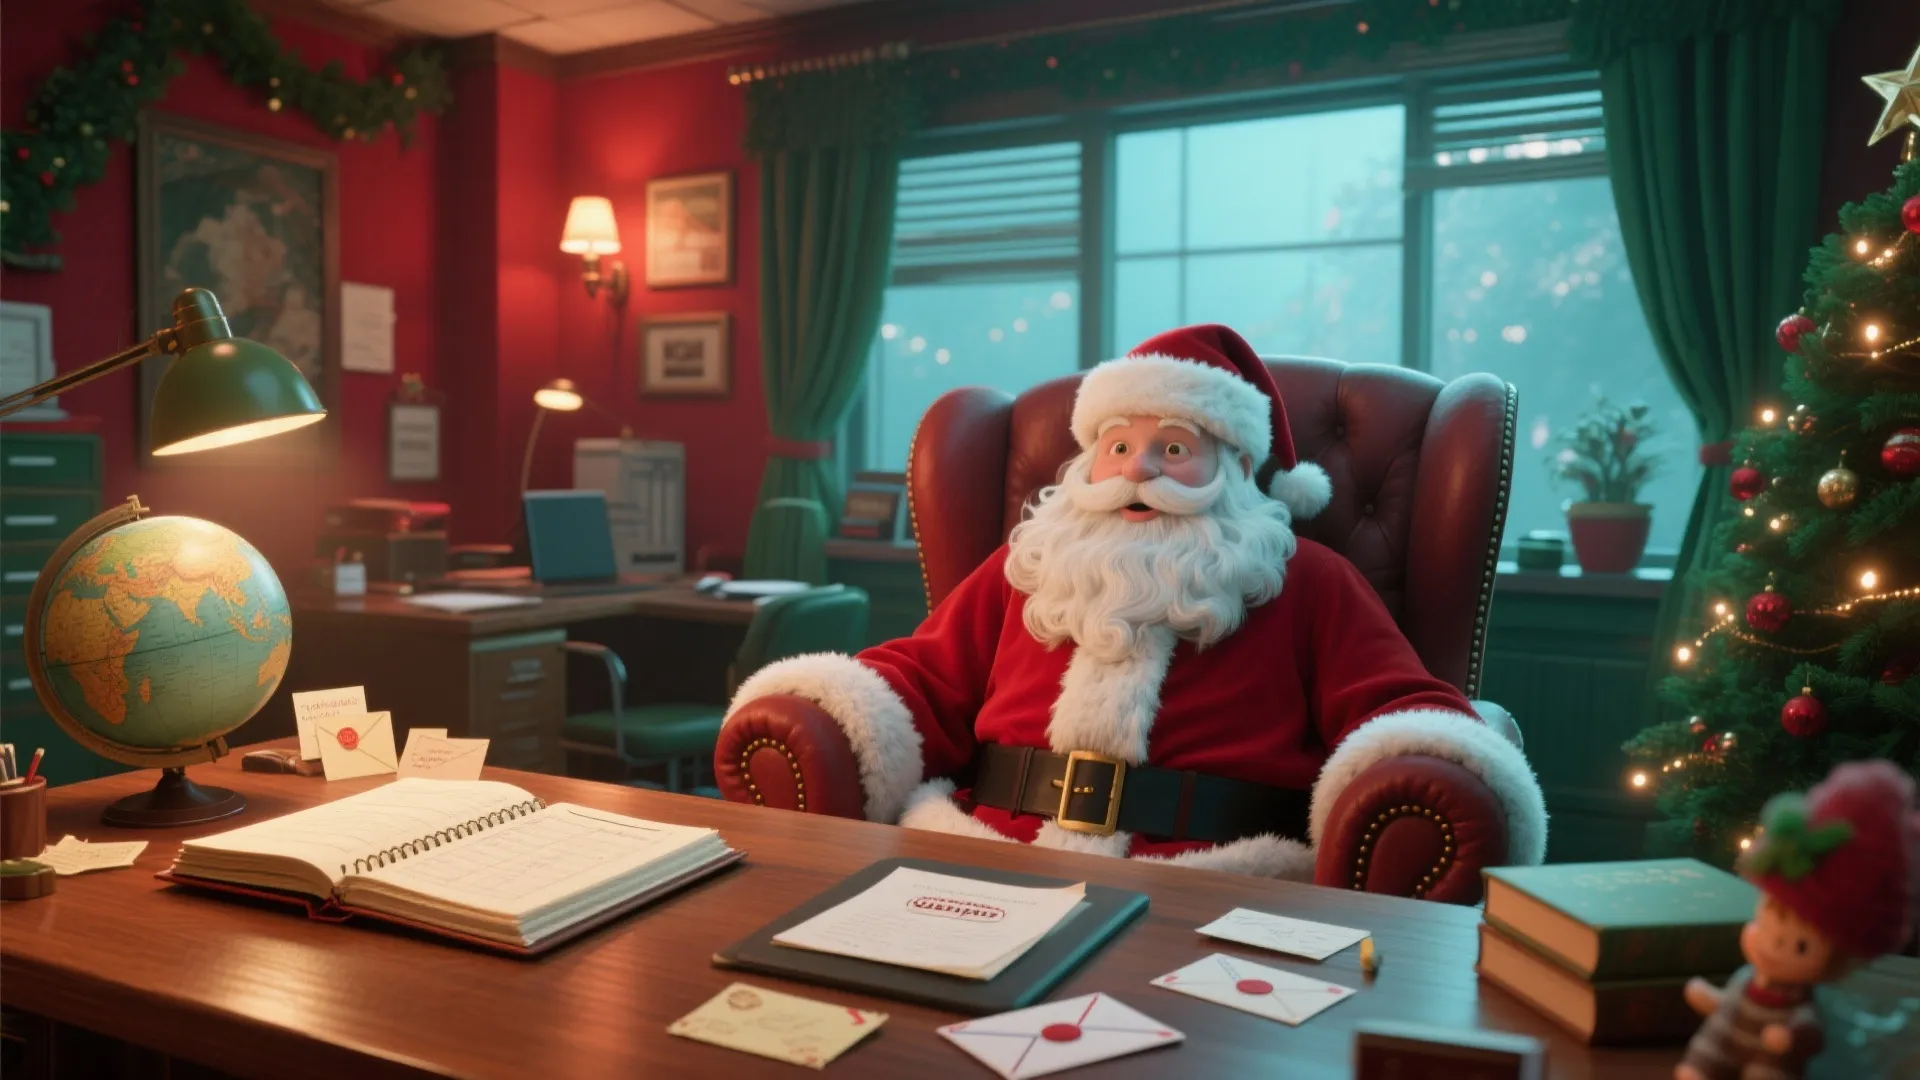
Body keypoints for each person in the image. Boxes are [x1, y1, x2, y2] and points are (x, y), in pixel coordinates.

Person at [724, 324, 1545, 876]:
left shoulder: (1309, 580)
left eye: (1173, 447)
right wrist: (831, 707)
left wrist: (1434, 754)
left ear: (1232, 465)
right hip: (985, 859)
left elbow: (1396, 706)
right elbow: (920, 676)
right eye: (1117, 446)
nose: (1137, 469)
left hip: (1209, 882)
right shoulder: (1030, 567)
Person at [1677, 760, 1919, 1080]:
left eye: (1800, 946)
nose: (1772, 947)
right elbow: (1726, 1004)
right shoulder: (1746, 980)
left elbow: (1808, 1031)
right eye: (1763, 926)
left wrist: (1789, 1038)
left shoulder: (1815, 1009)